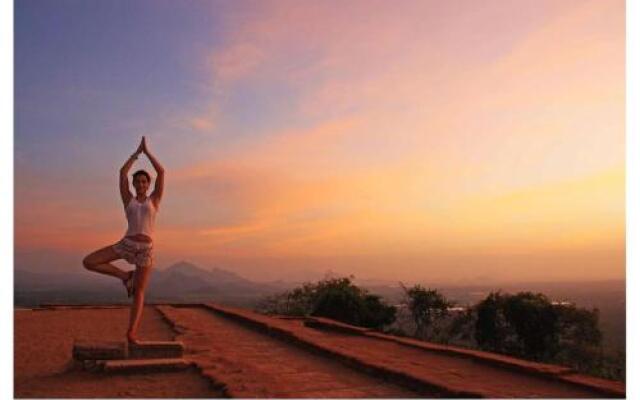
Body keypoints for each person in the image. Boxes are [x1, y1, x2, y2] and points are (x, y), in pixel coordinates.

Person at [82, 136, 165, 344]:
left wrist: (147, 152)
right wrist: (136, 155)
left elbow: (162, 172)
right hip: (126, 244)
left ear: (148, 184)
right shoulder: (128, 199)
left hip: (145, 249)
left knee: (139, 292)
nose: (141, 184)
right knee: (89, 261)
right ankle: (124, 276)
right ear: (134, 184)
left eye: (144, 181)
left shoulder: (154, 200)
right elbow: (122, 173)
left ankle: (131, 333)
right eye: (137, 181)